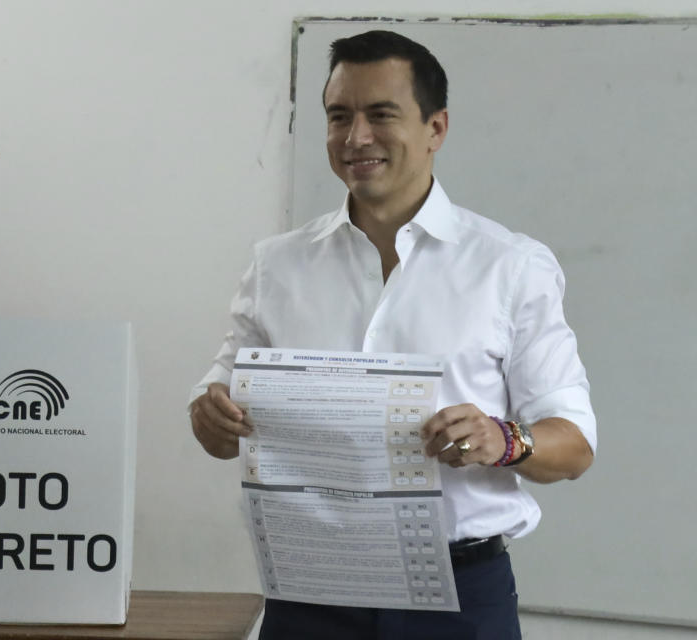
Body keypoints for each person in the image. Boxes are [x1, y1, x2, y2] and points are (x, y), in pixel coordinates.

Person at [189, 30, 596, 639]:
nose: (356, 138)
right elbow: (216, 424)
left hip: (460, 598)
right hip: (309, 594)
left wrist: (502, 439)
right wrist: (210, 414)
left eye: (381, 114)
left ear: (436, 128)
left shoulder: (510, 266)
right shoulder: (276, 266)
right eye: (338, 117)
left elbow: (574, 445)